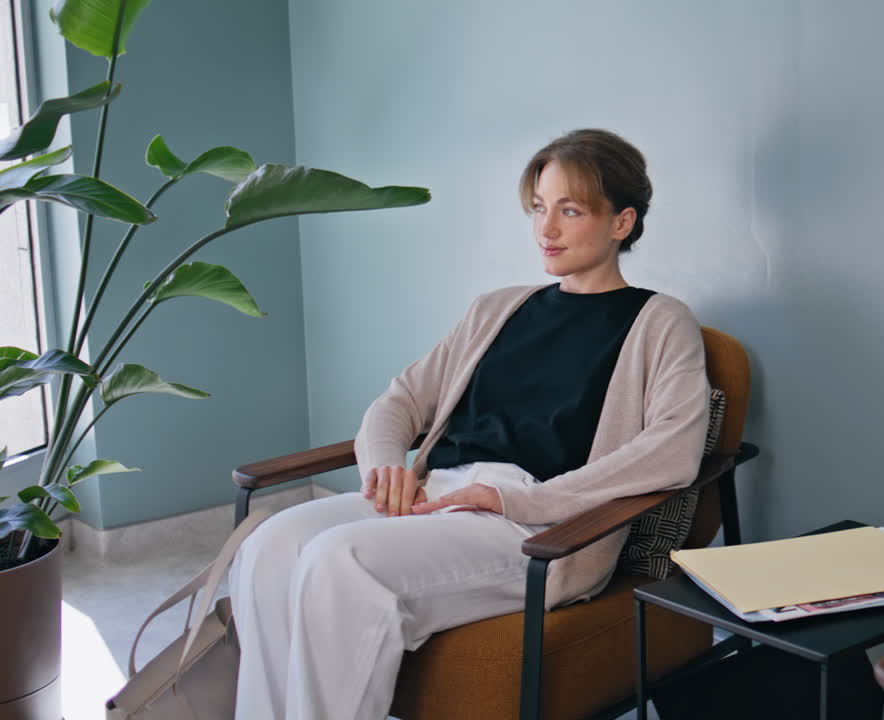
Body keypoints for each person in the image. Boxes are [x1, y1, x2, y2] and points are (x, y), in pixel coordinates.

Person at [229, 129, 710, 720]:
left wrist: (512, 500)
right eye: (539, 208)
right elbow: (399, 402)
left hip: (534, 524)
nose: (546, 229)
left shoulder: (660, 321)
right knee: (268, 544)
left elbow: (672, 451)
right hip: (438, 494)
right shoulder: (497, 308)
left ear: (621, 223)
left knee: (339, 561)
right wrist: (385, 470)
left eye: (570, 210)